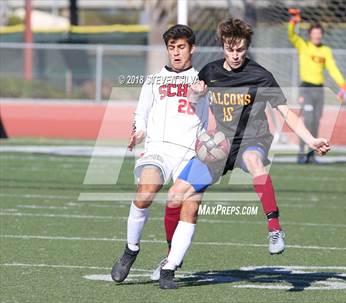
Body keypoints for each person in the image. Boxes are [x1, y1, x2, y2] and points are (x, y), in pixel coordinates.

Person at [158, 18, 331, 289]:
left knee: (253, 161)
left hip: (253, 139)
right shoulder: (210, 72)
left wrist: (310, 140)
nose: (235, 55)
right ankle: (169, 259)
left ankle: (274, 228)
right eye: (230, 49)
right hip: (221, 145)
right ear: (223, 47)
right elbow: (193, 102)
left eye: (240, 50)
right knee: (174, 195)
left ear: (246, 48)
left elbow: (286, 113)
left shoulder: (261, 76)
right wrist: (194, 95)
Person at [110, 24, 208, 283]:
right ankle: (131, 250)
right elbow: (140, 113)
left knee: (189, 208)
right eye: (171, 47)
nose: (176, 53)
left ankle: (170, 266)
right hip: (158, 149)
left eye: (181, 47)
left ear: (192, 48)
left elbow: (211, 121)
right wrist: (139, 131)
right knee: (145, 193)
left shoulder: (203, 81)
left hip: (190, 153)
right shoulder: (154, 80)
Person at [288, 8, 346, 164]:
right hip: (306, 88)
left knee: (315, 122)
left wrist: (343, 85)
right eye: (314, 33)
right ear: (310, 35)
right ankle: (301, 154)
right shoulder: (303, 46)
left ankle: (311, 155)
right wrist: (294, 21)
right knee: (307, 120)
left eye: (319, 33)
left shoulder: (326, 51)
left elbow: (333, 69)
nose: (317, 36)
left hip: (319, 90)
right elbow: (291, 35)